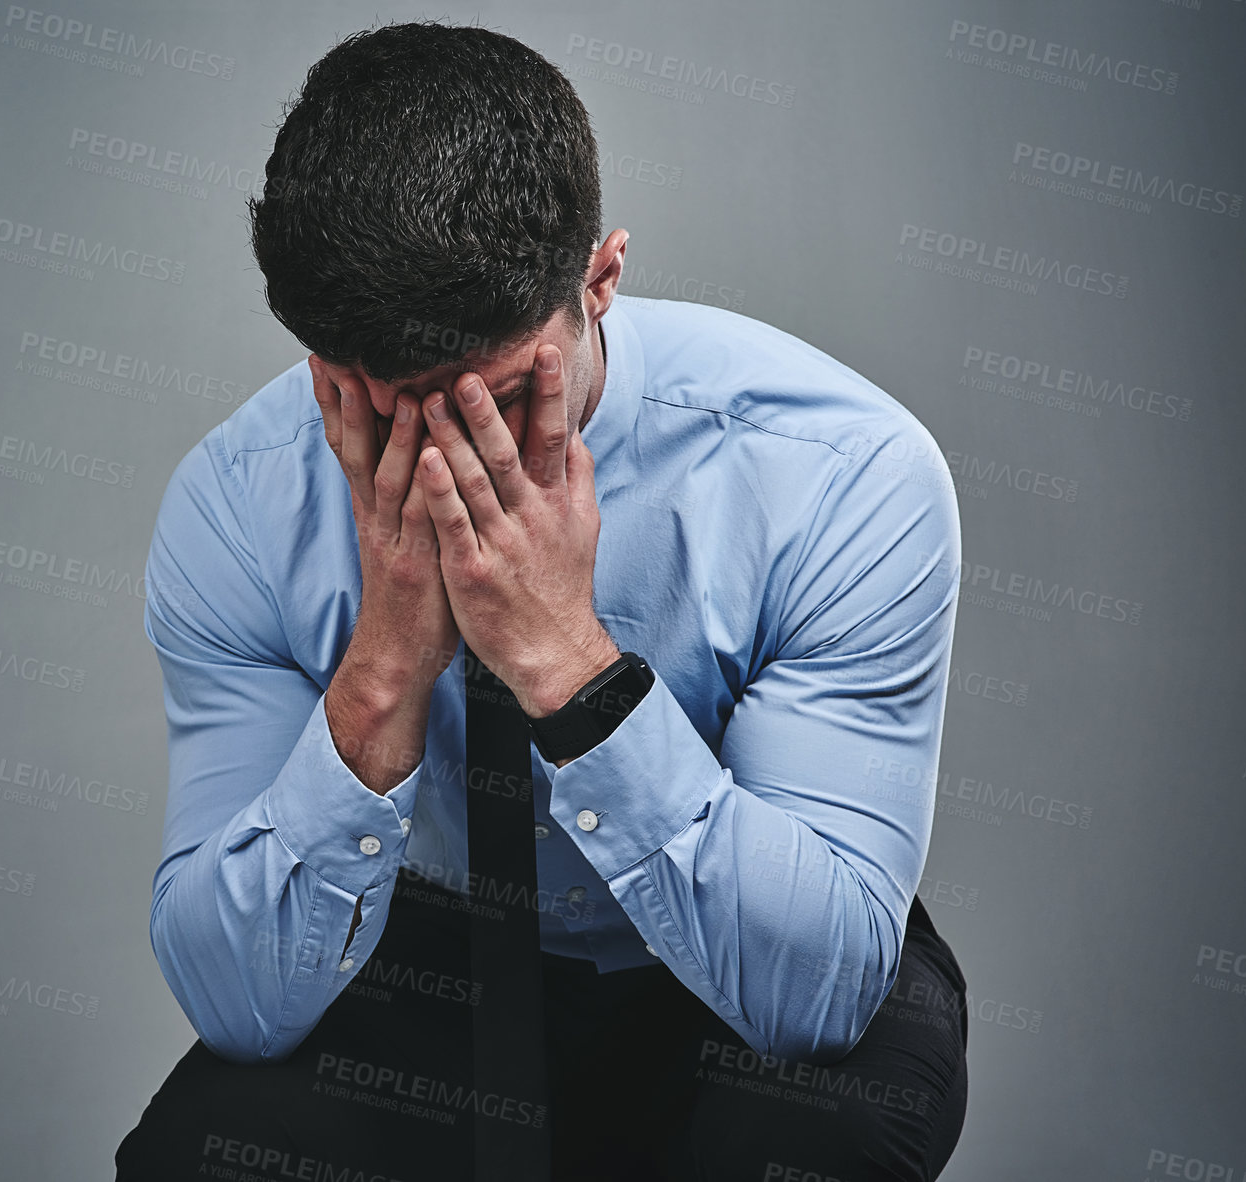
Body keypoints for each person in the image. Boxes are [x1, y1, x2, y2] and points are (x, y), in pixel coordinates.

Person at [120, 19, 969, 1182]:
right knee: (205, 1157)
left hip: (739, 949)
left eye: (501, 397)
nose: (442, 458)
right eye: (381, 404)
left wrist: (569, 668)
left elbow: (808, 996)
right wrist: (378, 676)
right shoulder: (236, 501)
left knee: (812, 1146)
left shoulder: (840, 474)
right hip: (432, 951)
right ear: (319, 361)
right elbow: (239, 1006)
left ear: (601, 279)